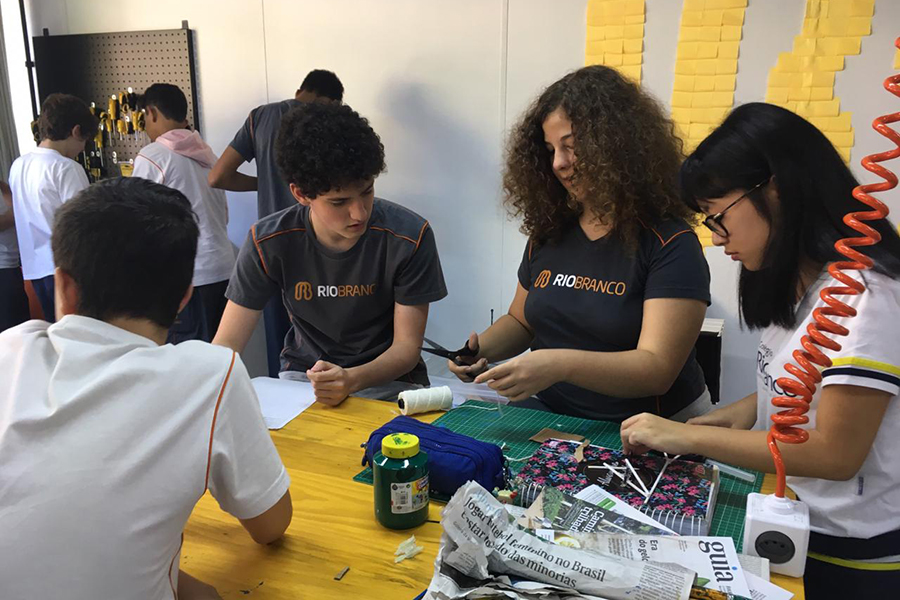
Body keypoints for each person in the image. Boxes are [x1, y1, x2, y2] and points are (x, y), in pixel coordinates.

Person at [619, 103, 900, 597]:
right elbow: (810, 386)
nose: (717, 239)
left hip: (850, 552)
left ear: (775, 189)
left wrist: (685, 436)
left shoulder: (867, 298)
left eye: (719, 217)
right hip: (795, 518)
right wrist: (740, 413)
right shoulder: (804, 282)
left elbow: (836, 453)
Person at [0, 178, 292, 600]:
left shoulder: (10, 349)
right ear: (185, 296)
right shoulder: (209, 373)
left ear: (63, 286)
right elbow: (271, 525)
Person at [448, 65, 710, 423]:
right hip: (556, 416)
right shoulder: (551, 231)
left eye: (571, 147)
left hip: (649, 428)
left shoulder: (671, 243)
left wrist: (557, 365)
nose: (559, 163)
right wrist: (479, 352)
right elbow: (522, 322)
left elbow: (656, 369)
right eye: (550, 150)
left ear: (617, 146)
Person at [213, 101, 447, 405]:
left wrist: (350, 379)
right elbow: (226, 346)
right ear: (301, 194)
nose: (359, 213)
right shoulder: (268, 241)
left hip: (392, 384)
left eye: (367, 190)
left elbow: (406, 350)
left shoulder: (409, 236)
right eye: (339, 202)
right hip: (306, 381)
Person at [209, 68, 344, 377]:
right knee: (321, 350)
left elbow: (217, 176)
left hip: (271, 247)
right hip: (318, 248)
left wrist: (266, 183)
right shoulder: (325, 121)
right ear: (328, 101)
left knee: (280, 353)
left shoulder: (259, 118)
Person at [133, 83, 235, 343]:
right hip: (223, 268)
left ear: (151, 112)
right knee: (220, 353)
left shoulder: (152, 156)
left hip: (188, 275)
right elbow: (224, 215)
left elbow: (138, 222)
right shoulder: (208, 154)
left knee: (188, 357)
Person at [8, 93, 97, 321]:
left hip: (35, 270)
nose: (82, 149)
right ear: (76, 131)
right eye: (84, 141)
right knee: (80, 332)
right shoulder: (66, 168)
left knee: (56, 331)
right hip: (68, 269)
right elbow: (83, 224)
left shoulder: (18, 165)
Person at [0, 180, 30, 331]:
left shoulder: (5, 187)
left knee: (21, 328)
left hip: (11, 267)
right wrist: (16, 213)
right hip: (3, 268)